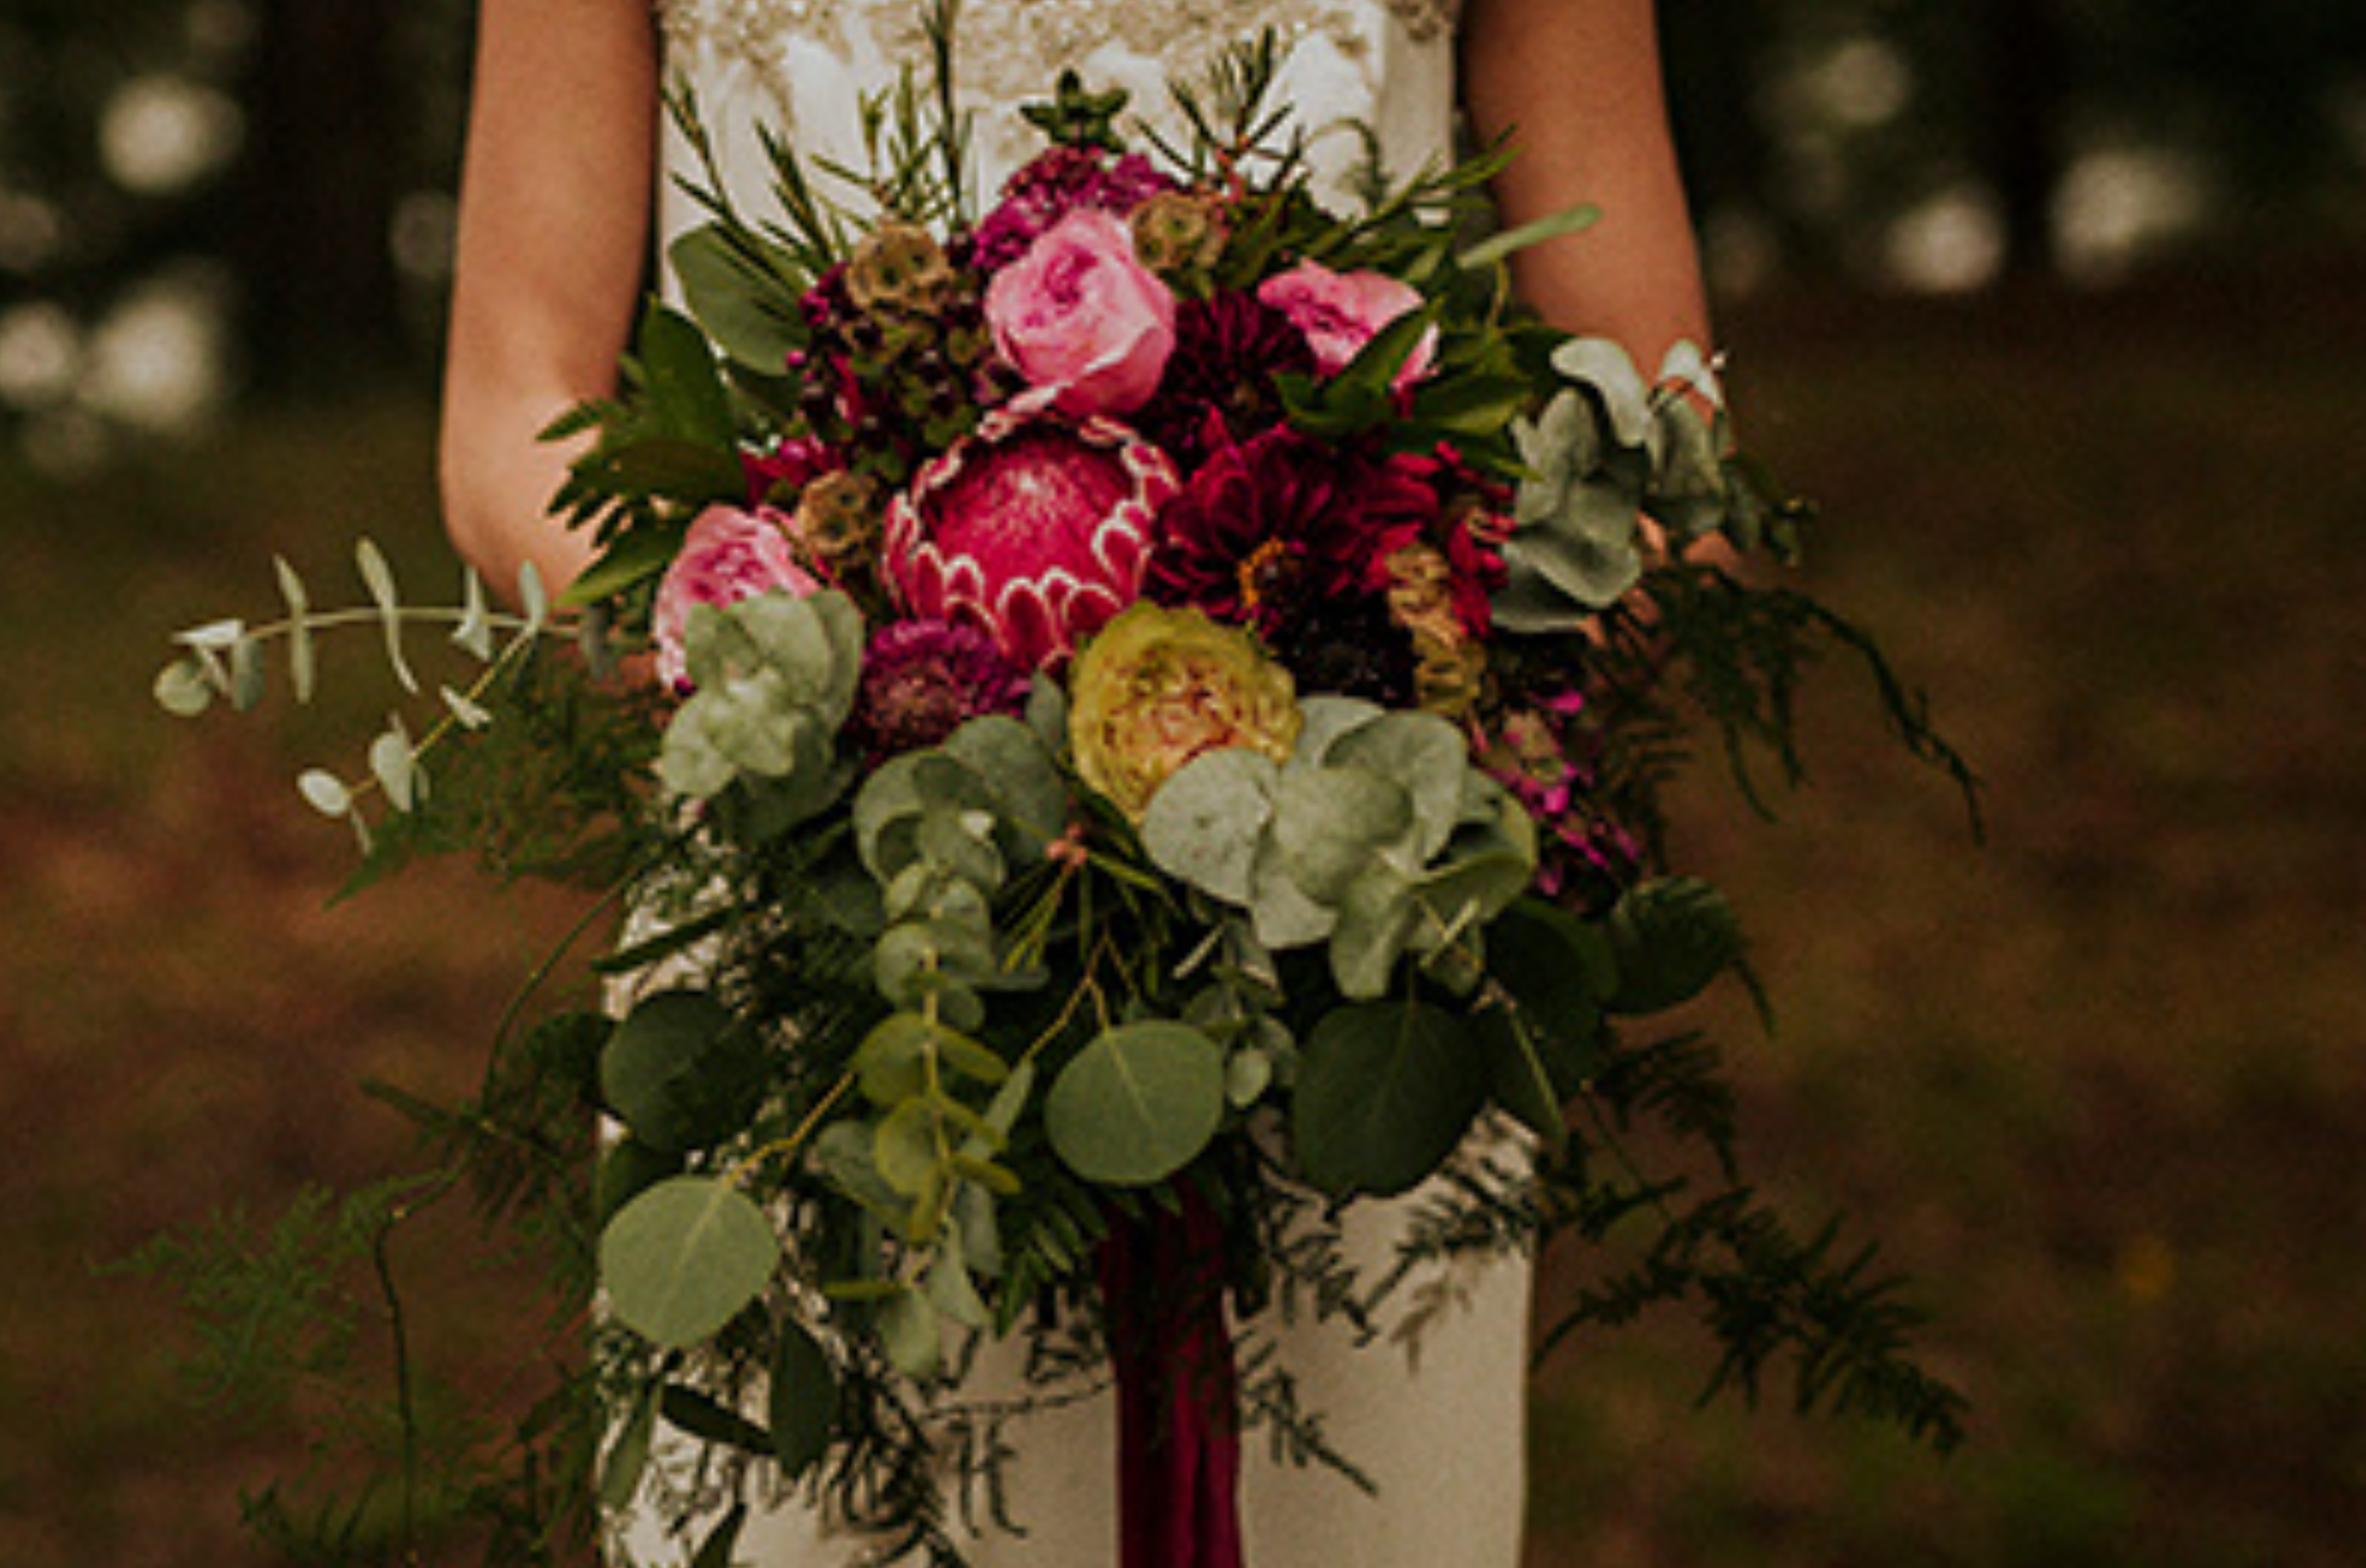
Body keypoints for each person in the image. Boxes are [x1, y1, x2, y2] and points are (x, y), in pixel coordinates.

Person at [436, 3, 1710, 1563]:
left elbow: (1661, 420)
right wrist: (791, 679)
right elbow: (510, 415)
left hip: (1343, 923)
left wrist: (1386, 631)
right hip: (825, 934)